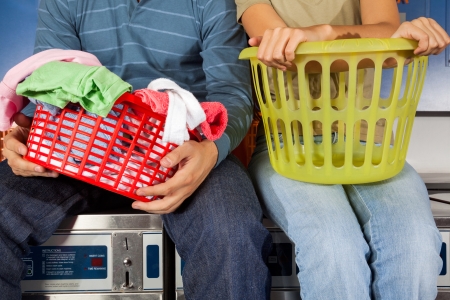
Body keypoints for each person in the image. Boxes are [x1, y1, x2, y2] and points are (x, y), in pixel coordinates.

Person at [0, 1, 273, 299]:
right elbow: (50, 85)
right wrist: (27, 133)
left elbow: (232, 95)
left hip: (185, 151)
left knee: (230, 232)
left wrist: (211, 151)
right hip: (79, 151)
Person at [236, 0, 450, 299]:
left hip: (367, 140)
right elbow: (285, 53)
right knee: (334, 247)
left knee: (415, 247)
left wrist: (321, 34)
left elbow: (389, 32)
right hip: (289, 143)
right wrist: (378, 41)